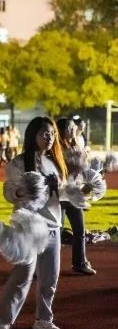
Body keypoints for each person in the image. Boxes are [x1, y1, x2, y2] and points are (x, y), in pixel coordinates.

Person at [0, 116, 68, 329]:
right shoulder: (18, 163)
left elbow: (65, 194)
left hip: (53, 226)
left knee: (50, 277)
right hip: (28, 228)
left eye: (53, 133)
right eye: (45, 133)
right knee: (22, 276)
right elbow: (9, 191)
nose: (50, 137)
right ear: (33, 135)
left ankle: (43, 319)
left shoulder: (56, 162)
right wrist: (22, 191)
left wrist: (73, 190)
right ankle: (3, 322)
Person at [56, 117, 96, 275]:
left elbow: (84, 170)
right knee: (55, 232)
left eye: (73, 127)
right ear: (61, 130)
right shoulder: (56, 149)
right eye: (69, 127)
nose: (73, 129)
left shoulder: (77, 146)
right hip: (59, 196)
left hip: (73, 195)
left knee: (80, 230)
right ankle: (43, 264)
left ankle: (79, 263)